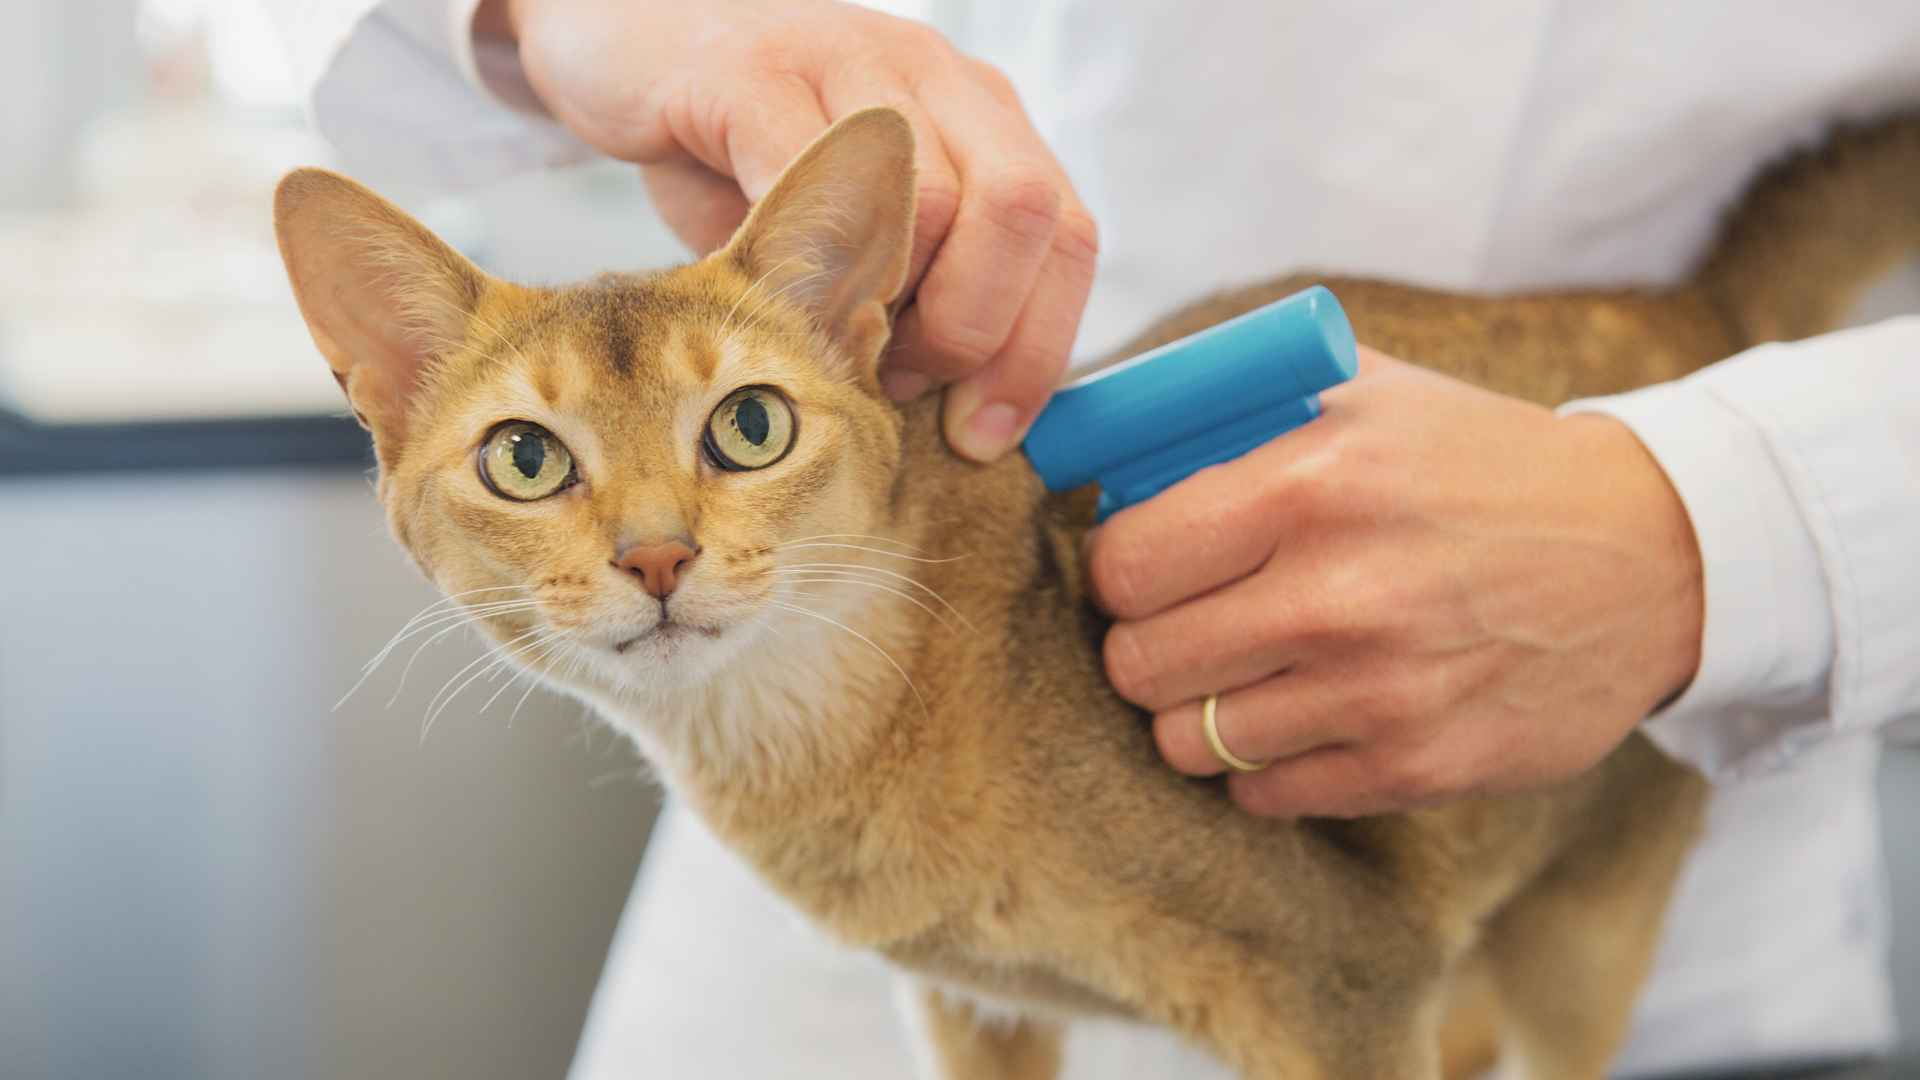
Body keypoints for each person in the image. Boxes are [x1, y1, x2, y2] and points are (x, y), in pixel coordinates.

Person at [265, 1, 1920, 1074]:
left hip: (1705, 643)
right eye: (533, 460)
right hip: (981, 478)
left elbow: (1350, 974)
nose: (650, 546)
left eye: (736, 434)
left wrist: (1729, 522)